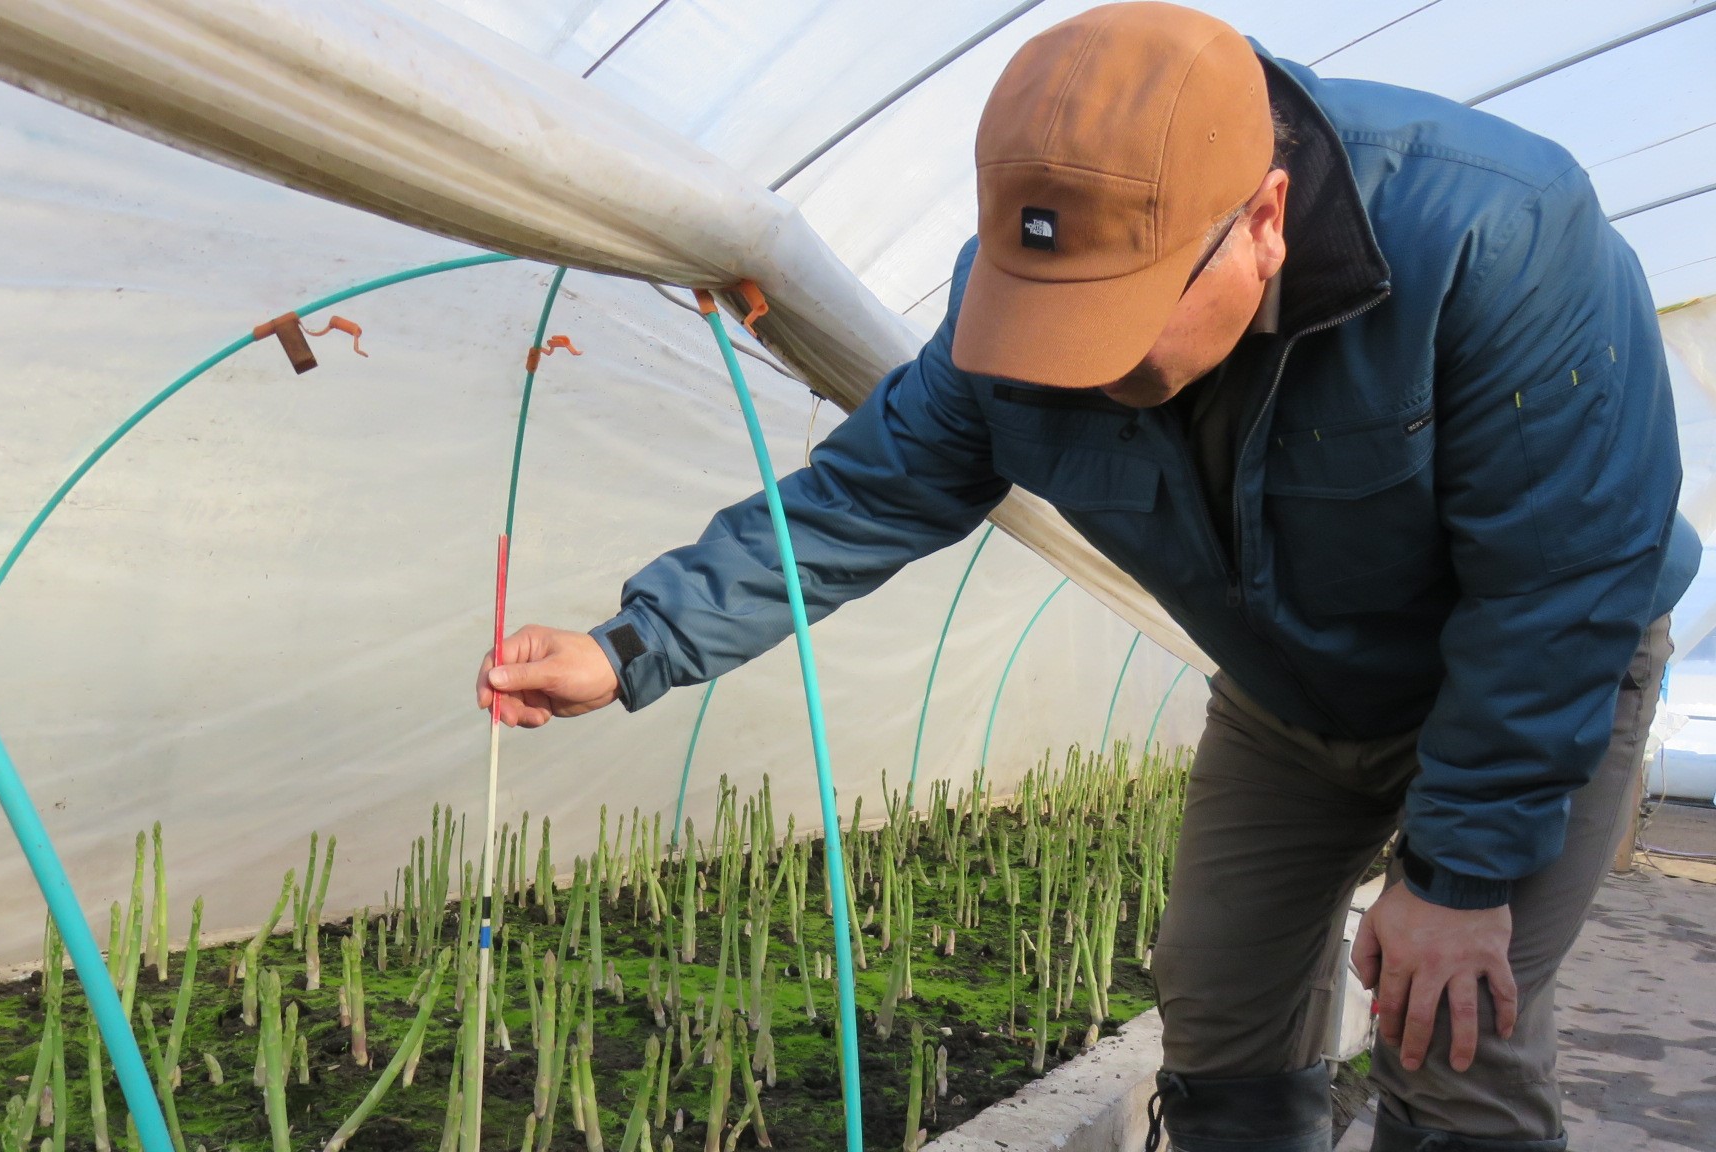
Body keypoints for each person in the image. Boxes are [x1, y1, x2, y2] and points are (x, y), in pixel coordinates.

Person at [474, 5, 1699, 1150]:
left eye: (1121, 319)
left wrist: (1458, 871)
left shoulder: (1496, 234)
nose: (1082, 367)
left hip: (1534, 681)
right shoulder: (1013, 305)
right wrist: (629, 647)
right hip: (1292, 693)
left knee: (1449, 1035)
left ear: (1263, 221)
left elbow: (1560, 581)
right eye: (1054, 323)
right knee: (1216, 1001)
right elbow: (865, 494)